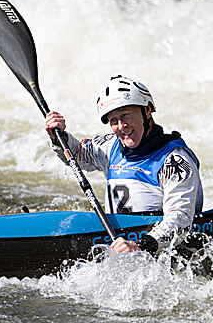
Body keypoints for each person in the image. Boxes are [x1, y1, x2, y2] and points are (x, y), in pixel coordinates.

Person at [45, 74, 204, 254]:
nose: (122, 126)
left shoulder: (174, 160)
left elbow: (181, 218)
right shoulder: (110, 146)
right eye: (114, 120)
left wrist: (141, 246)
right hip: (120, 243)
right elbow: (75, 155)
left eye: (126, 115)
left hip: (159, 247)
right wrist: (59, 136)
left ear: (147, 110)